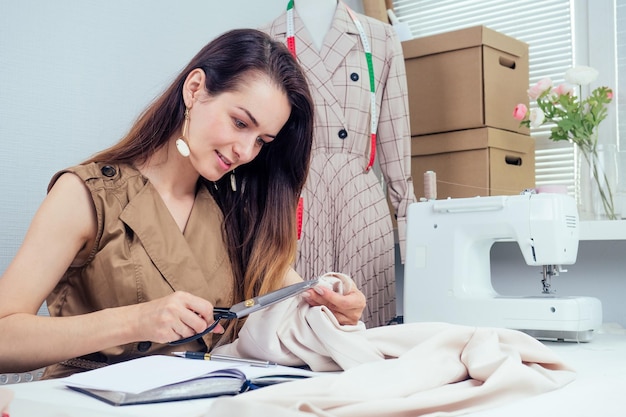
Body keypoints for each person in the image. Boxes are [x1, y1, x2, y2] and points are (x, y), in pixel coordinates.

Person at [0, 28, 365, 379]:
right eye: (240, 123)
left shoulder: (237, 212)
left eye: (262, 141)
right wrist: (133, 321)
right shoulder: (86, 195)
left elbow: (300, 300)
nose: (246, 151)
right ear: (195, 89)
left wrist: (336, 310)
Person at [262, 0, 416, 327]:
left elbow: (397, 140)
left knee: (366, 333)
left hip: (361, 204)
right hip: (292, 202)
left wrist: (412, 239)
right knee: (297, 333)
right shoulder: (267, 39)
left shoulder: (382, 38)